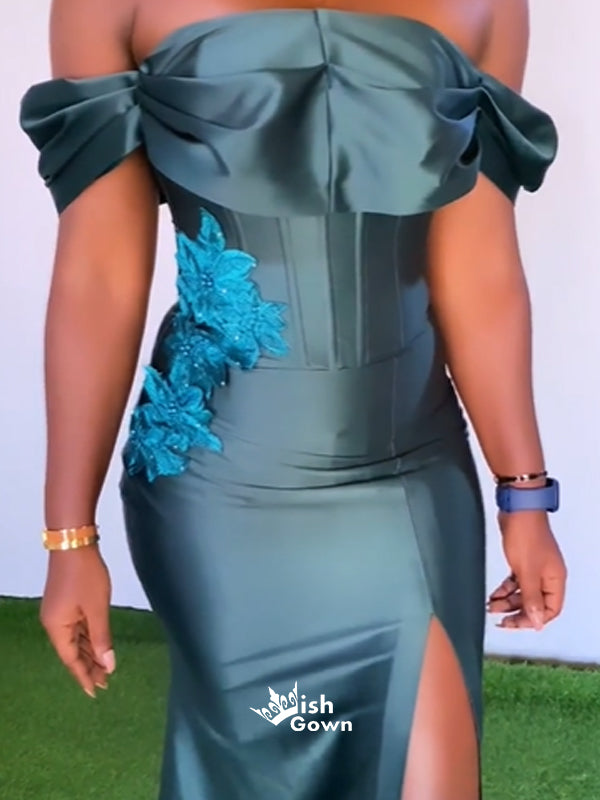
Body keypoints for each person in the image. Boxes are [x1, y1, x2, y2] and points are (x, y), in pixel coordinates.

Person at [20, 1, 567, 798]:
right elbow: (99, 278)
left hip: (411, 474)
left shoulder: (488, 5)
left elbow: (478, 270)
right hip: (222, 487)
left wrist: (525, 494)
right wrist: (69, 536)